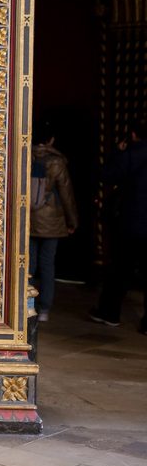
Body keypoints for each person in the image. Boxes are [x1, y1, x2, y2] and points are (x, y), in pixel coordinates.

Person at [89, 118, 147, 333]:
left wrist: (118, 152)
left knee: (120, 270)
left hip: (130, 223)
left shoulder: (131, 155)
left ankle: (110, 312)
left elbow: (107, 175)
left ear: (132, 135)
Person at [28, 120, 77, 323]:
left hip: (28, 217)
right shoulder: (57, 162)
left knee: (27, 263)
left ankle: (26, 305)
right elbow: (66, 194)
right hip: (51, 219)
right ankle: (45, 309)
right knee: (47, 264)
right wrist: (72, 220)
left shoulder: (25, 155)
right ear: (51, 140)